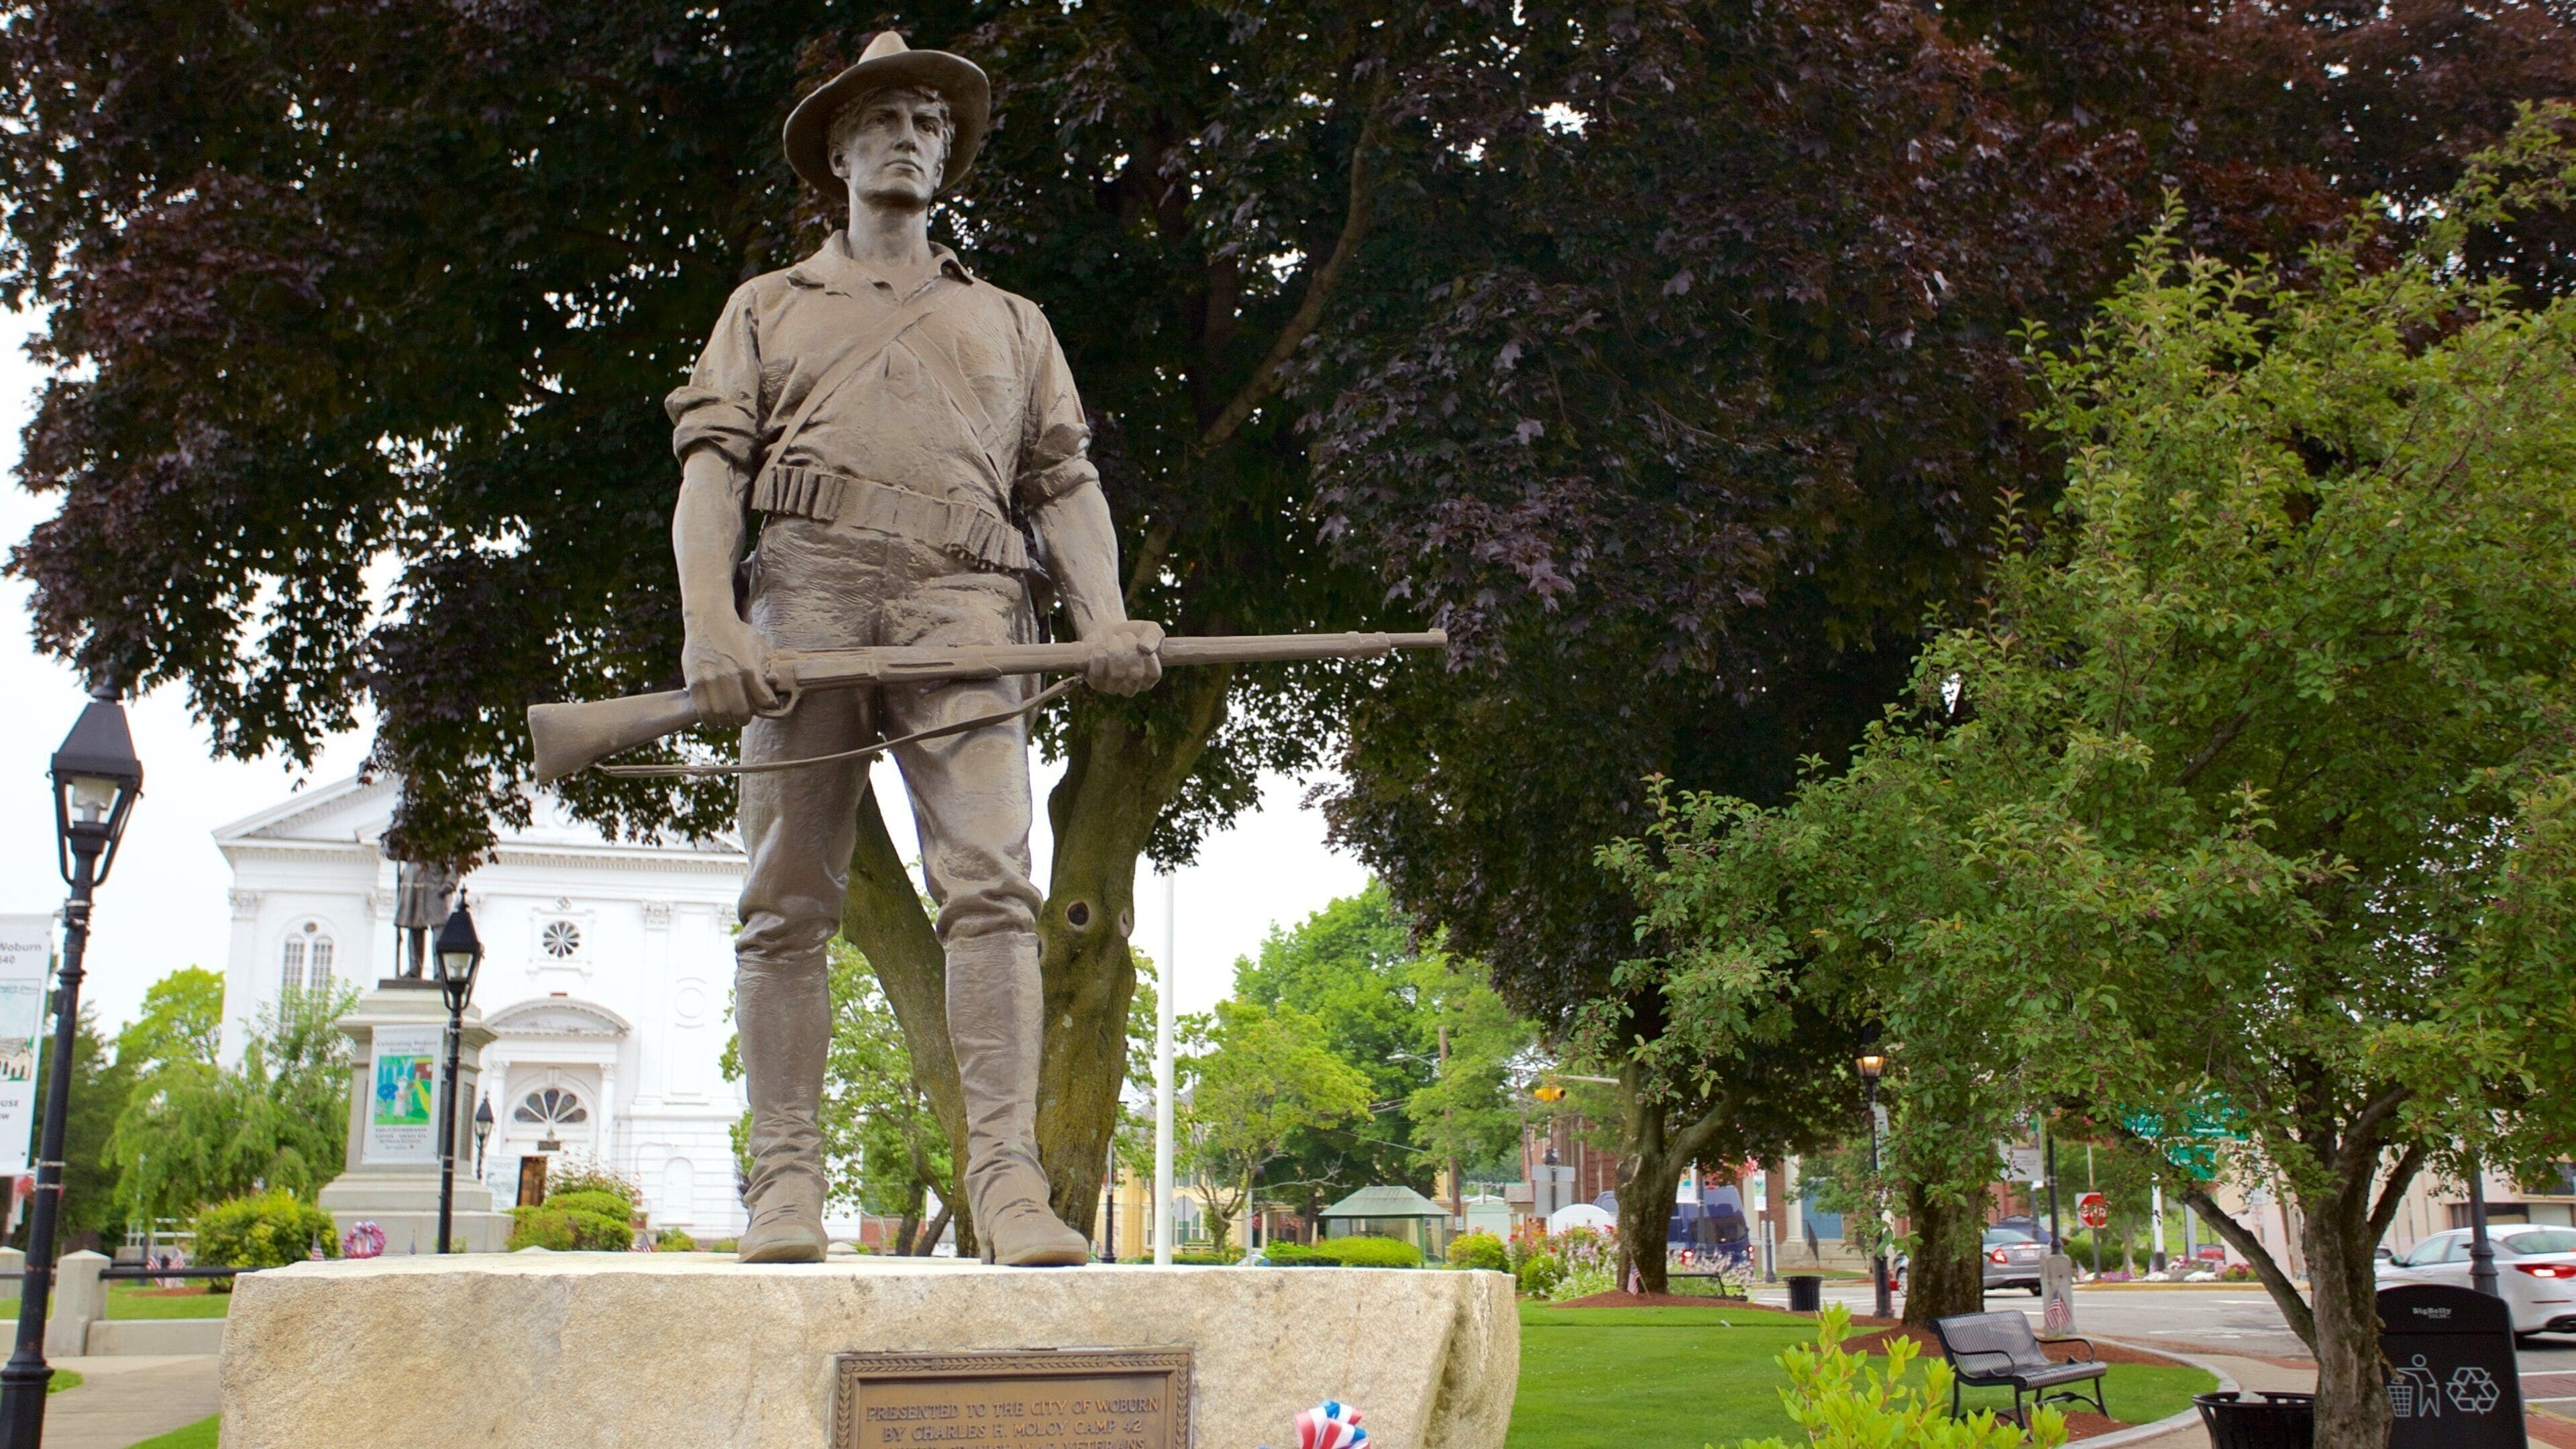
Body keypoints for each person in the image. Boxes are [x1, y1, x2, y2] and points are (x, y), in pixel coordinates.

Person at [664, 31, 1162, 1265]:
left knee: (993, 890)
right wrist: (710, 622)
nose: (908, 138)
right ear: (838, 153)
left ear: (947, 158)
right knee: (785, 904)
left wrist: (1102, 619)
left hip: (968, 609)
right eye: (883, 120)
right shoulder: (765, 306)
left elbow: (1065, 483)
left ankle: (1008, 1183)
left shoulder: (1011, 322)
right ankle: (786, 1183)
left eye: (930, 125)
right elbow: (712, 472)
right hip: (806, 600)